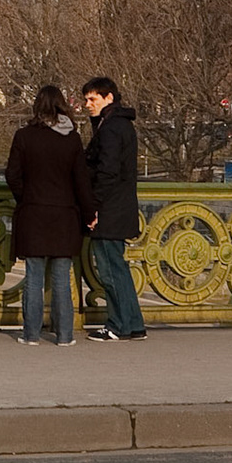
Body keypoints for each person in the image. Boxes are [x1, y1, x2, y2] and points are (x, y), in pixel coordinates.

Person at [3, 84, 98, 345]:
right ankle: (65, 335)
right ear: (62, 107)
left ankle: (30, 334)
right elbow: (82, 181)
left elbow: (12, 175)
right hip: (64, 216)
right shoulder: (72, 139)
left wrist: (27, 197)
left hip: (33, 214)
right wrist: (89, 212)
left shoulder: (24, 136)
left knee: (33, 276)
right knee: (61, 278)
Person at [81, 76, 146, 341]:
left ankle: (118, 325)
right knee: (118, 268)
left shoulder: (110, 129)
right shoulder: (119, 126)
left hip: (109, 210)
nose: (87, 104)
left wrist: (93, 207)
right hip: (119, 207)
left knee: (109, 270)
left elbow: (106, 171)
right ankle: (133, 324)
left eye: (92, 99)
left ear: (109, 98)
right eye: (86, 99)